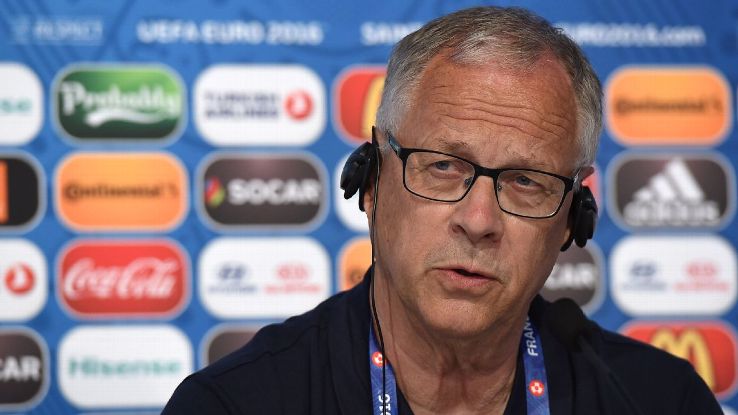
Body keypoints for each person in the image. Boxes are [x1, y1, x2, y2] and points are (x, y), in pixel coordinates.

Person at [163, 6, 722, 414]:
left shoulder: (660, 400)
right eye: (444, 166)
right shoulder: (233, 404)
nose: (478, 222)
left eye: (525, 181)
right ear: (373, 181)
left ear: (572, 219)